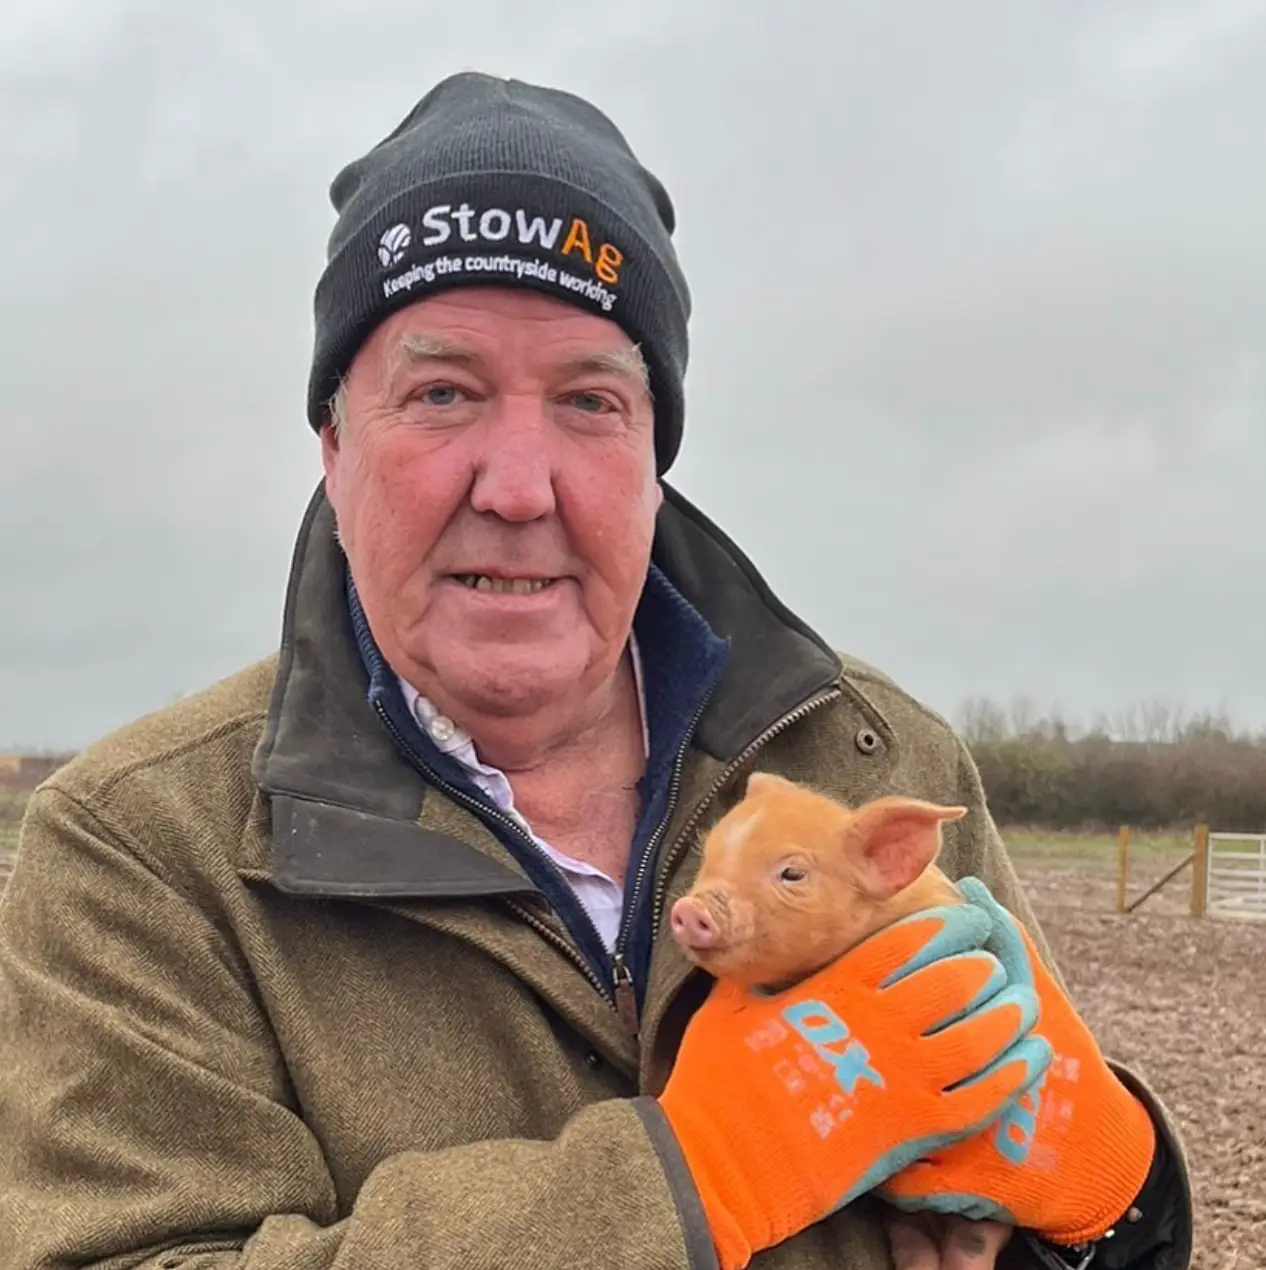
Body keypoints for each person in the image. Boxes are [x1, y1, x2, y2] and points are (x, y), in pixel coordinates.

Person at [0, 72, 1192, 1270]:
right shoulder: (142, 849)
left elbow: (1049, 1199)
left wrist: (1110, 1199)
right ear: (333, 442)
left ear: (652, 453)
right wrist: (685, 1182)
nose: (520, 487)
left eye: (588, 400)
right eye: (443, 393)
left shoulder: (867, 752)